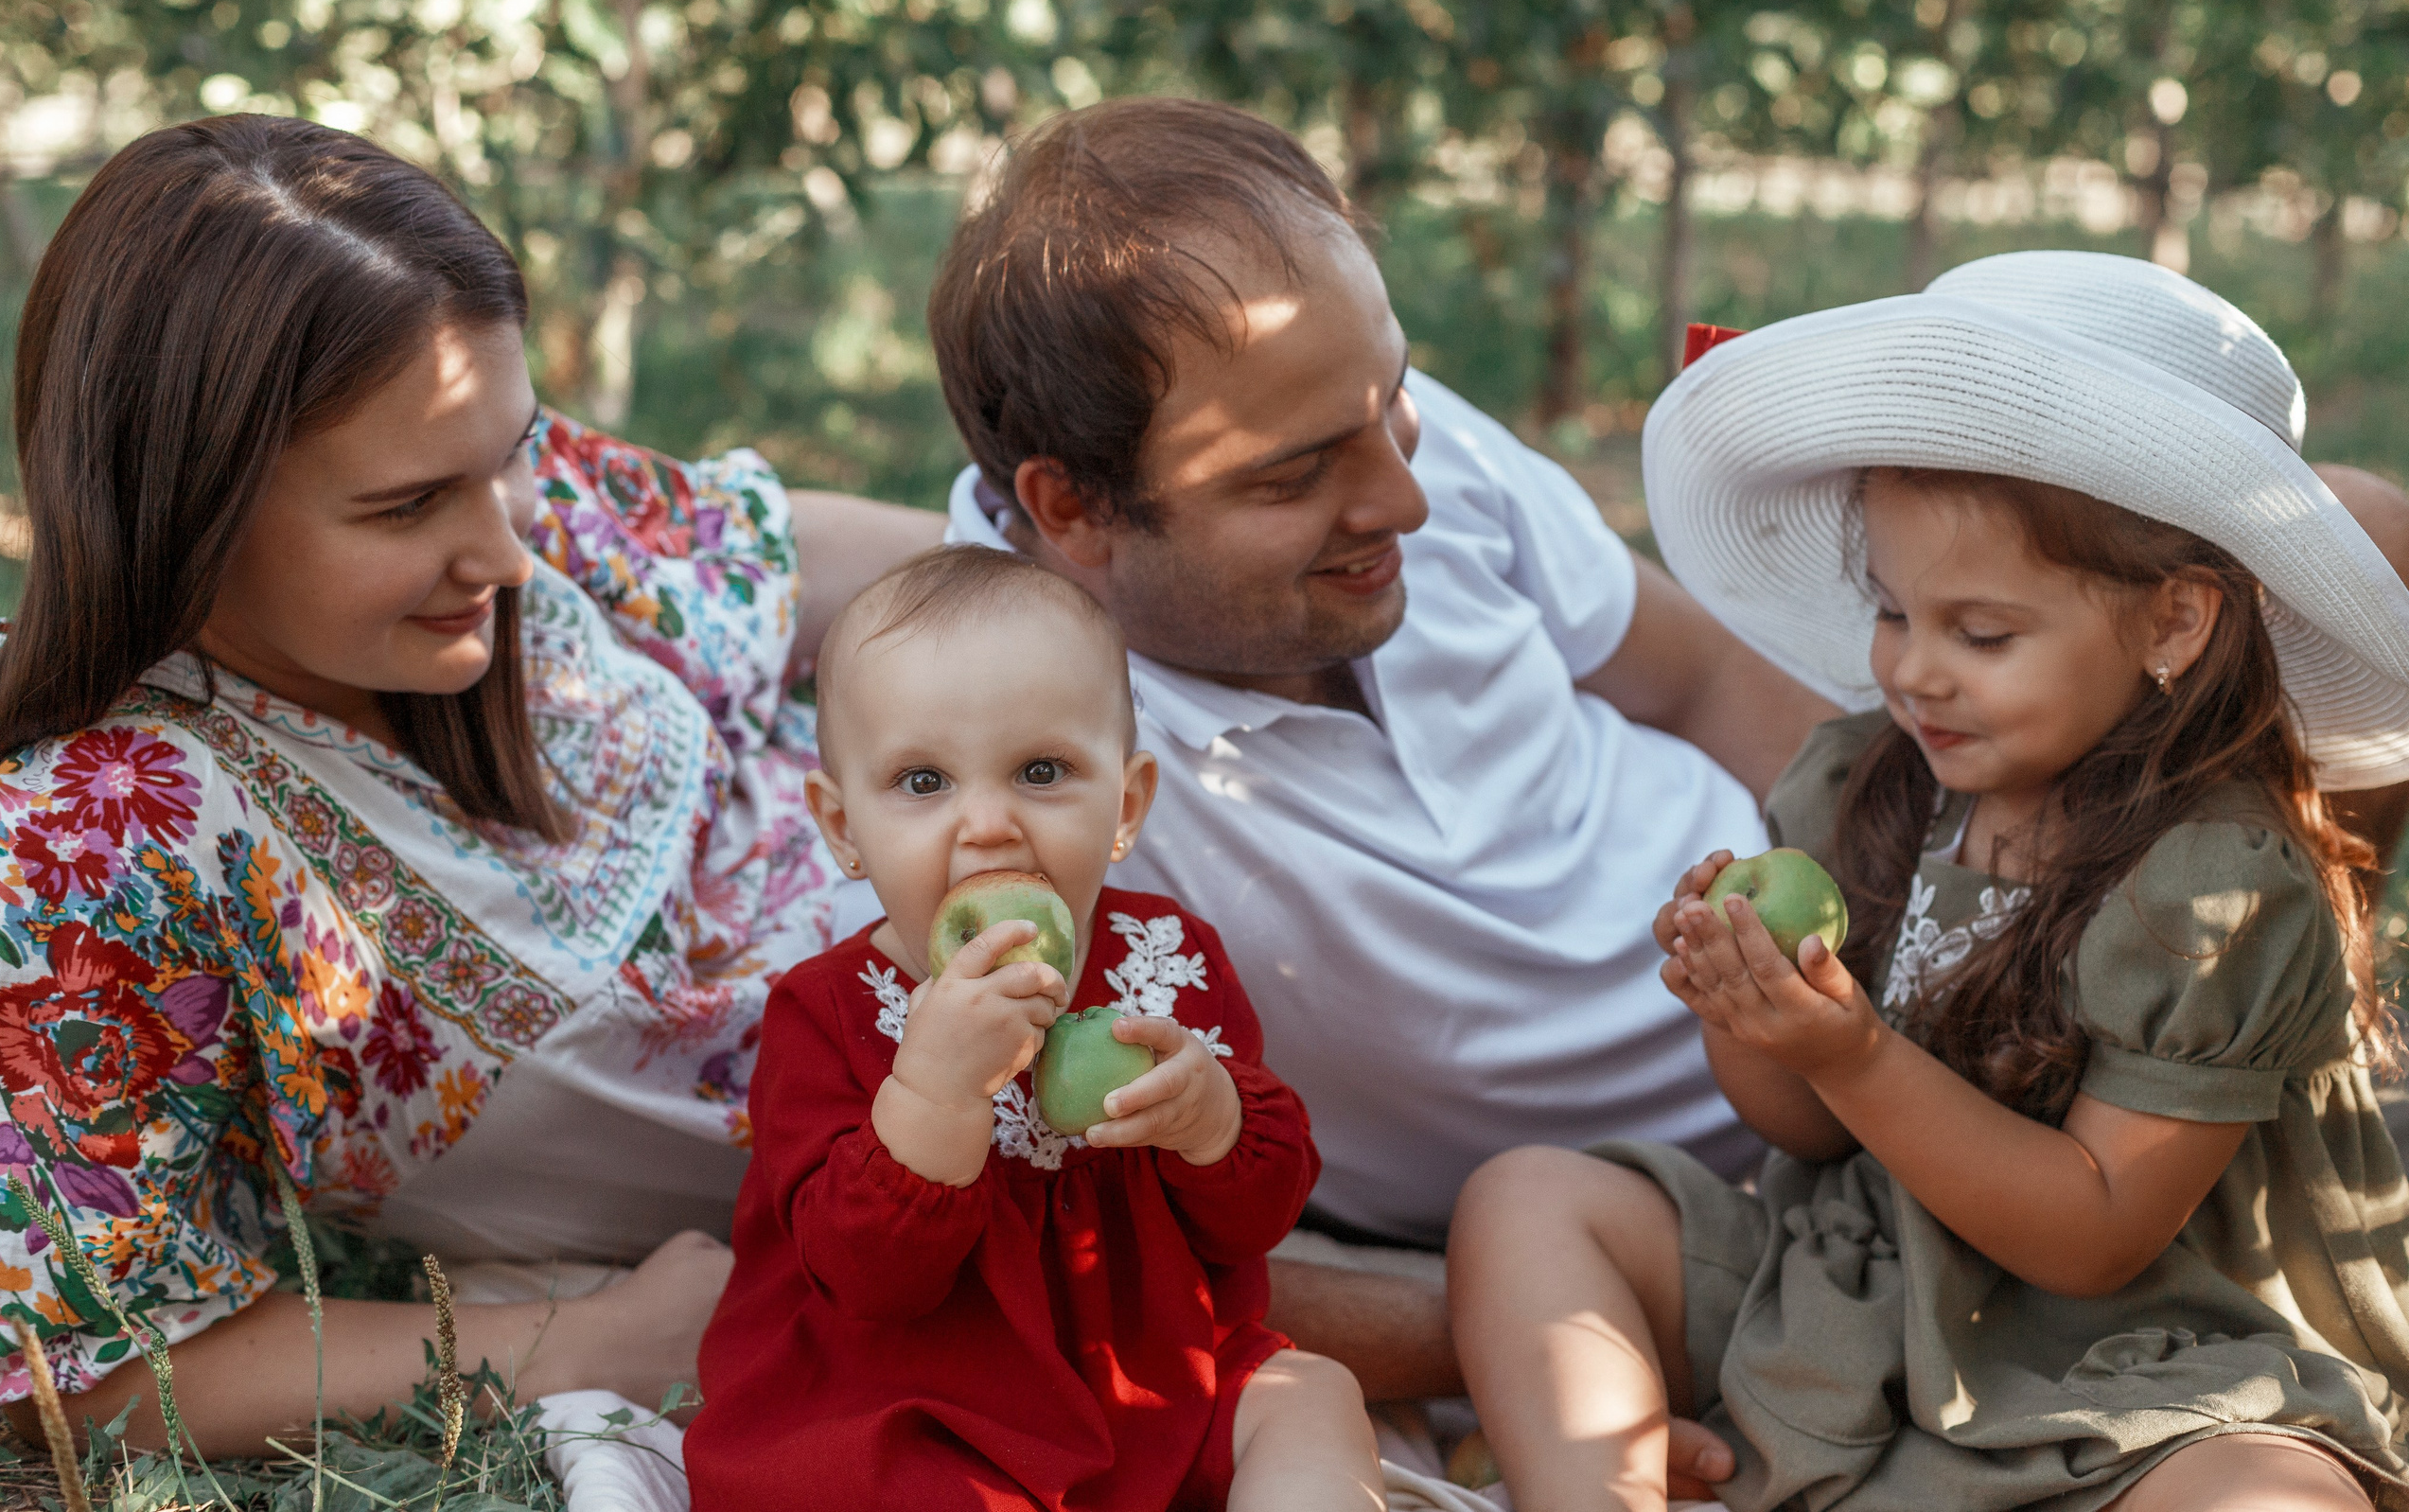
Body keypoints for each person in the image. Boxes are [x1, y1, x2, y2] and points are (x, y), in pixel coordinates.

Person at [919, 97, 2409, 1429]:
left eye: (1392, 402)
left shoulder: (1381, 449)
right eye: (1295, 473)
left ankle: (2246, 1020)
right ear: (1072, 509)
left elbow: (1694, 669)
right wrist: (1559, 1324)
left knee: (2350, 535)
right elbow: (1081, 1242)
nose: (1410, 494)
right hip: (1678, 1182)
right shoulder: (1012, 768)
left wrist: (1928, 875)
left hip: (1885, 980)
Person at [0, 115, 941, 1453]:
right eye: (407, 506)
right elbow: (79, 1364)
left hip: (1075, 855)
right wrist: (593, 1342)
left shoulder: (466, 467)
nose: (506, 545)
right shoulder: (98, 834)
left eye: (513, 451)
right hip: (945, 1156)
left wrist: (1074, 602)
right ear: (186, 500)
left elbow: (761, 558)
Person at [1448, 251, 2409, 1511]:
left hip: (2145, 1359)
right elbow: (1802, 1128)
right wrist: (1752, 1013)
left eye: (1984, 633)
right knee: (1529, 1199)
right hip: (1861, 1290)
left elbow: (2096, 1229)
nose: (1914, 672)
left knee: (2268, 1498)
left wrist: (1852, 1054)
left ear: (2174, 621)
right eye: (1895, 611)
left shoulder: (2216, 888)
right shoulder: (1874, 784)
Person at [688, 546, 1381, 1510]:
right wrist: (935, 1094)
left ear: (1125, 805)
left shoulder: (1169, 964)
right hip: (925, 1403)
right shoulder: (832, 1012)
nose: (987, 825)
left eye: (1040, 771)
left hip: (1153, 1384)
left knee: (1311, 1398)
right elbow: (866, 1281)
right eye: (923, 783)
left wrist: (1209, 1118)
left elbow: (1258, 1216)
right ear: (843, 828)